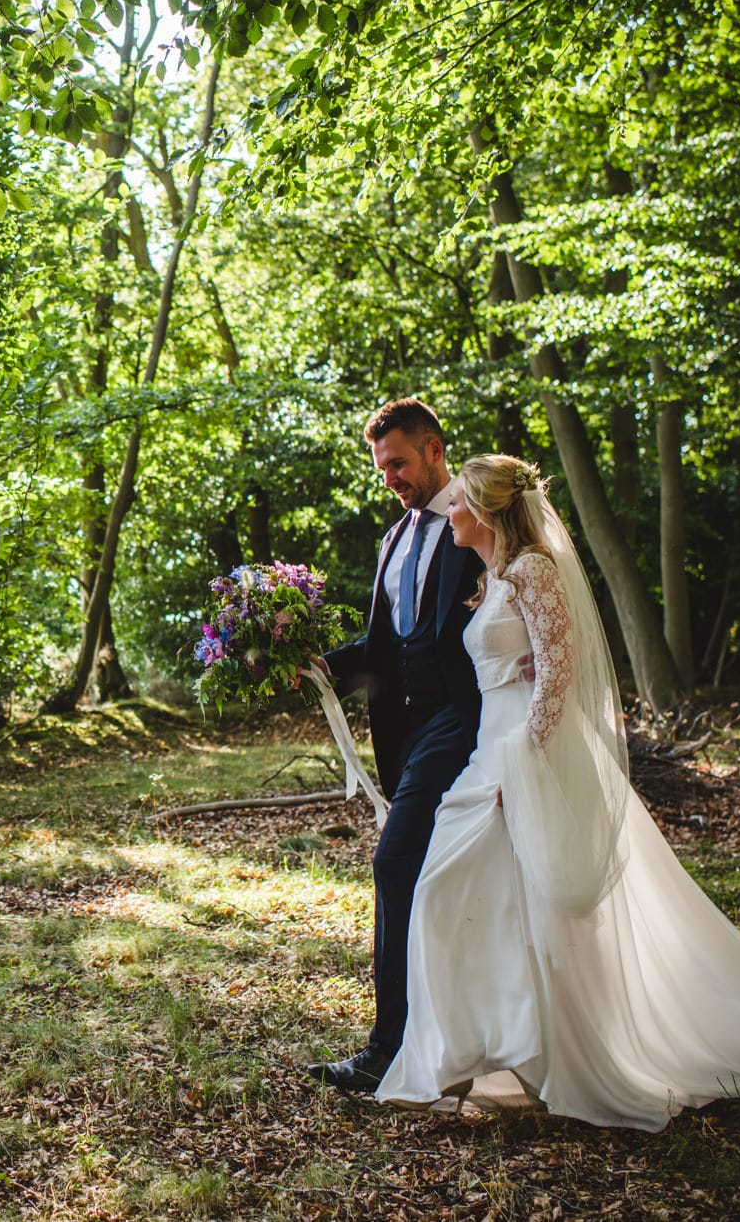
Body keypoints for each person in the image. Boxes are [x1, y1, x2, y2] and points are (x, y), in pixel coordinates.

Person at [374, 454, 740, 1129]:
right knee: (469, 896)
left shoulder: (532, 571)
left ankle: (542, 1052)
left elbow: (558, 674)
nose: (450, 511)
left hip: (522, 754)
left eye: (460, 502)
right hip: (488, 754)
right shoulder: (494, 577)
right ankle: (493, 1052)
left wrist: (528, 760)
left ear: (488, 508)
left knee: (508, 901)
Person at [307, 399, 485, 1093]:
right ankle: (441, 1036)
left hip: (461, 722)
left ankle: (388, 1048)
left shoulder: (478, 524)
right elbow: (380, 647)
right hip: (405, 734)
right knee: (429, 875)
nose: (391, 479)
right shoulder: (392, 541)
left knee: (394, 861)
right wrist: (318, 665)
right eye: (382, 469)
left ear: (435, 448)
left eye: (400, 463)